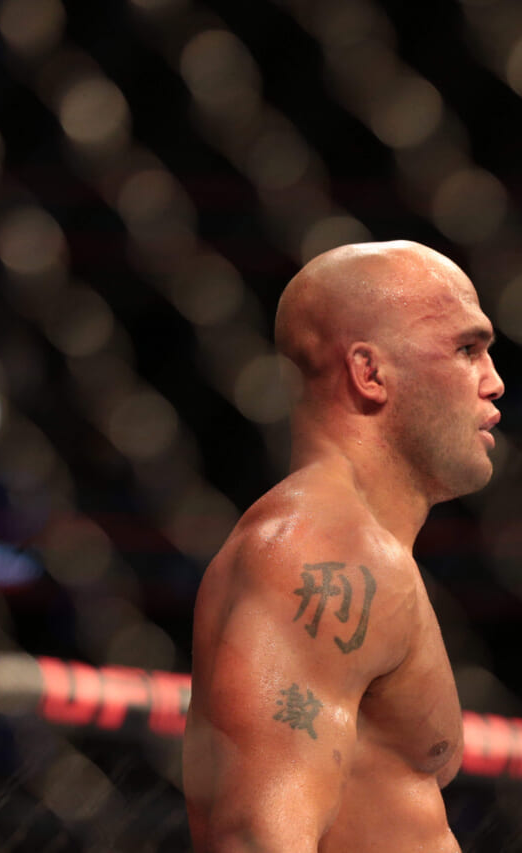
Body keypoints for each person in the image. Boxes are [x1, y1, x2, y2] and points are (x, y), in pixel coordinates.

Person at [183, 240, 504, 851]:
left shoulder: (370, 552)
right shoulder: (313, 550)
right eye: (467, 350)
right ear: (369, 373)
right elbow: (253, 840)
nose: (495, 382)